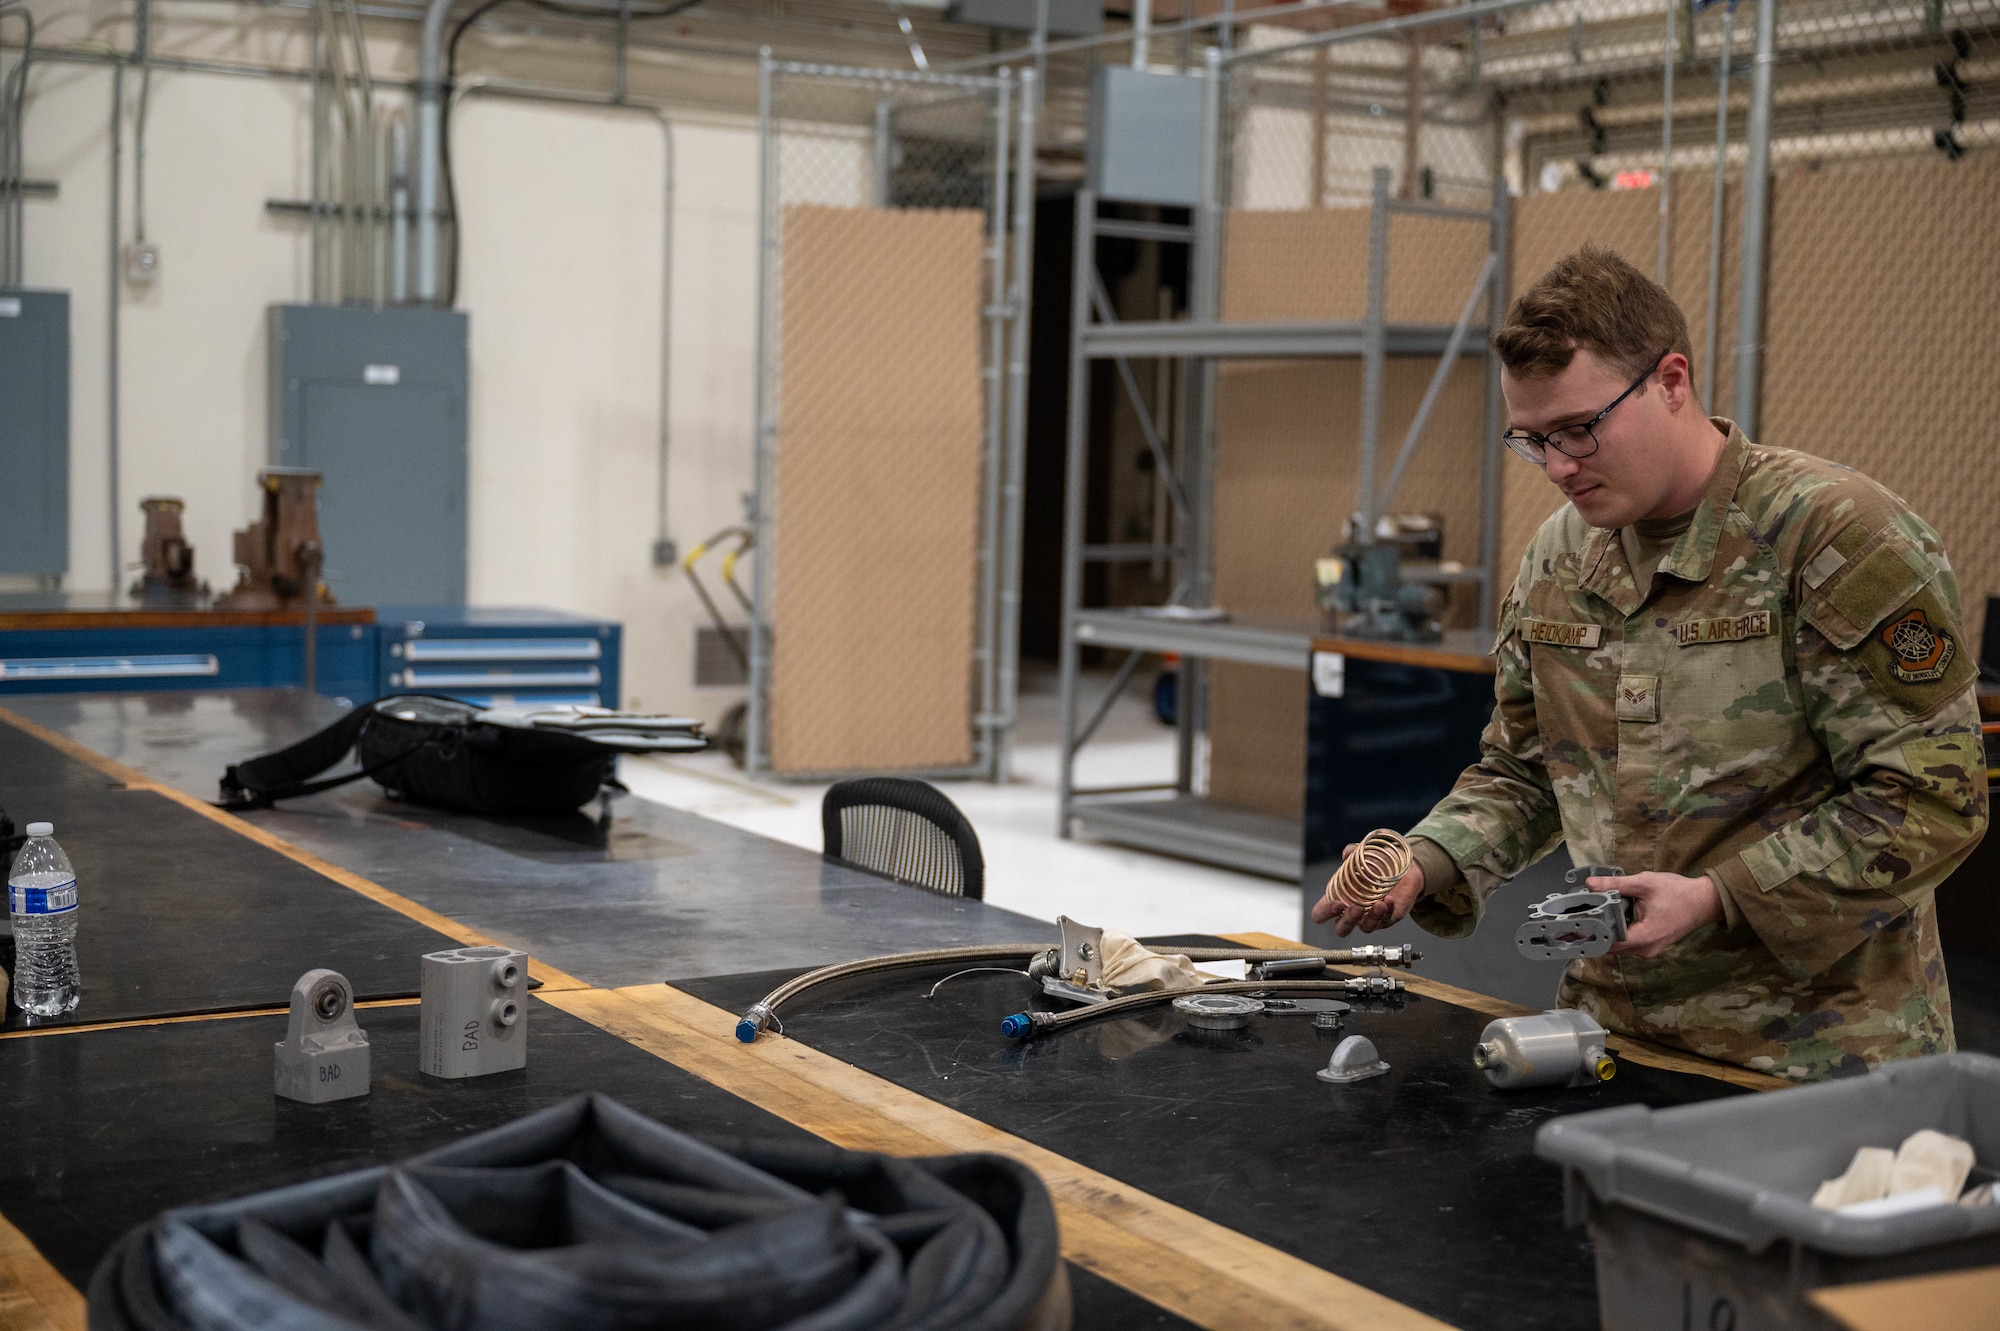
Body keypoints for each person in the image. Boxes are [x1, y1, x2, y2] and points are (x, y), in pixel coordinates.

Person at [1313, 245, 1987, 1081]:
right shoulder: (1561, 560)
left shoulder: (1832, 538)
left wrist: (1718, 897)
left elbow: (1933, 797)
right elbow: (1525, 770)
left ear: (1672, 381)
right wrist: (1427, 859)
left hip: (1818, 1060)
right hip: (1608, 1038)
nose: (1558, 467)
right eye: (1533, 440)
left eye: (1579, 429)